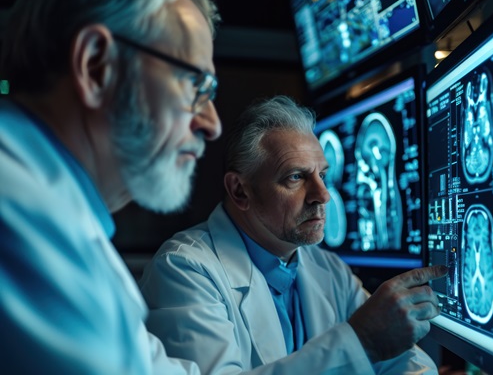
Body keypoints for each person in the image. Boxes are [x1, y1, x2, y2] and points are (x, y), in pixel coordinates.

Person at [0, 0, 222, 373]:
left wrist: (356, 341)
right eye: (195, 84)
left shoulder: (65, 218)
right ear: (97, 66)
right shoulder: (21, 214)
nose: (212, 123)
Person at [139, 96, 448, 374]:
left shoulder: (328, 270)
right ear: (240, 190)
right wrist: (361, 342)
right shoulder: (184, 270)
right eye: (296, 177)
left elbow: (408, 362)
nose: (323, 195)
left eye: (322, 175)